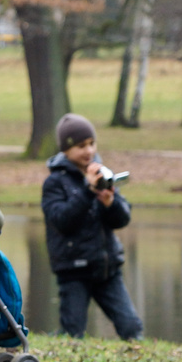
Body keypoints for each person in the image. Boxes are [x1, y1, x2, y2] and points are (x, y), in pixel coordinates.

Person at [42, 113, 142, 340]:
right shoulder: (54, 182)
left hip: (107, 267)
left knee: (131, 328)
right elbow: (61, 221)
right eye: (80, 146)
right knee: (73, 332)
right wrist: (88, 191)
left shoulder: (102, 174)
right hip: (73, 269)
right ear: (66, 150)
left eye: (91, 144)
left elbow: (122, 219)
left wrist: (110, 203)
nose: (88, 151)